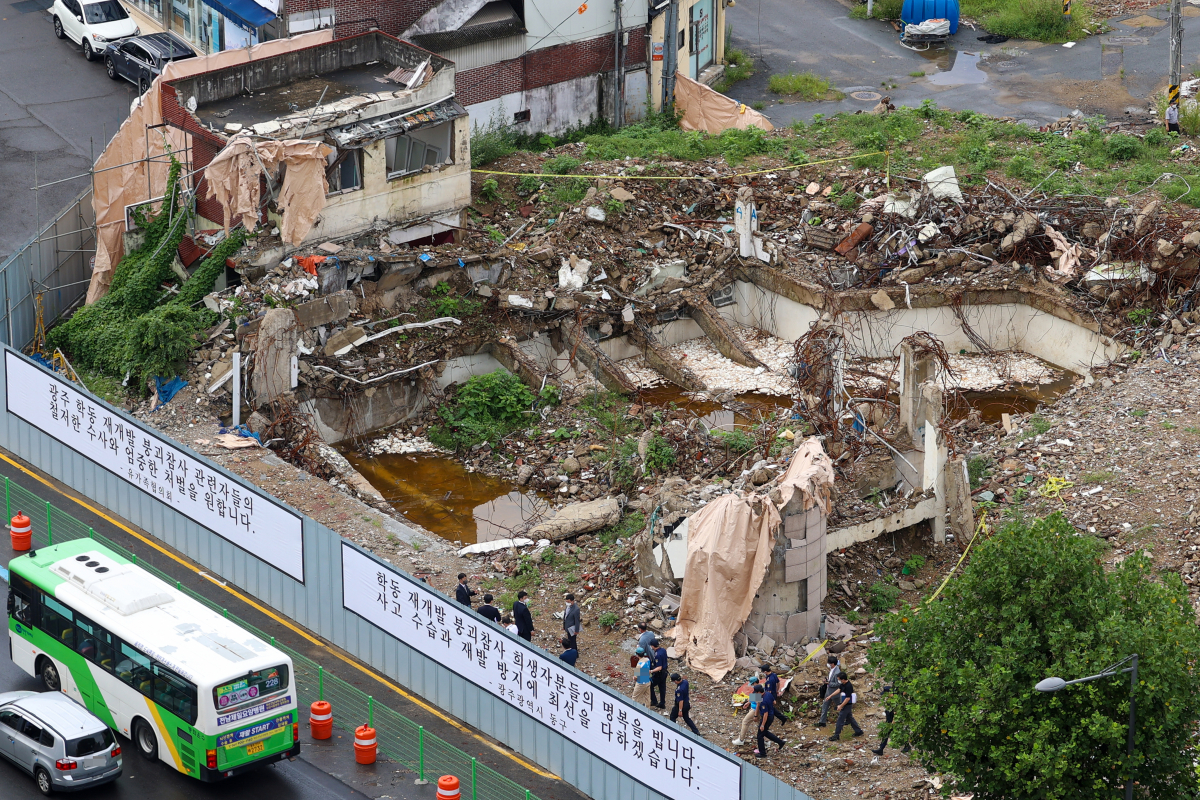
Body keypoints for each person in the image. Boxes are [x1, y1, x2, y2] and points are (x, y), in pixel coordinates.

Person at [873, 684, 911, 755]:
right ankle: (881, 749)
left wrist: (893, 721)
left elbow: (896, 712)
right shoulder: (889, 700)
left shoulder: (896, 701)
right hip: (889, 720)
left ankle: (907, 746)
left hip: (894, 721)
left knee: (899, 733)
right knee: (887, 733)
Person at [754, 683, 787, 756]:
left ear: (759, 692)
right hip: (771, 716)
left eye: (756, 692)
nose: (755, 694)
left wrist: (762, 724)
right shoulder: (768, 694)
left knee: (760, 736)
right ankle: (780, 742)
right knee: (765, 732)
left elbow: (765, 714)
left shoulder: (763, 701)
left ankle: (762, 753)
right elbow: (774, 702)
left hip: (767, 718)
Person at [830, 672, 863, 741]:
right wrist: (830, 696)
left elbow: (847, 698)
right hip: (845, 704)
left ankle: (836, 735)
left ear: (843, 679)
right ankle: (858, 731)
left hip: (846, 705)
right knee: (850, 718)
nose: (839, 681)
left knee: (840, 720)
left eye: (839, 679)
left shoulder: (848, 686)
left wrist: (841, 706)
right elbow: (839, 690)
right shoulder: (843, 684)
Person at [733, 678, 763, 746]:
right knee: (760, 725)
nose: (751, 686)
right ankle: (765, 740)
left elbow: (758, 704)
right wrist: (748, 703)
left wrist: (755, 715)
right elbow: (753, 698)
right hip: (754, 708)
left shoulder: (758, 691)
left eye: (752, 684)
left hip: (755, 710)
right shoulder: (758, 689)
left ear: (755, 683)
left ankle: (741, 739)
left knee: (745, 722)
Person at [817, 655, 841, 728]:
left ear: (833, 664)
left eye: (829, 663)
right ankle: (822, 722)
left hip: (834, 693)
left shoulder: (837, 672)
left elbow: (838, 683)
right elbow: (831, 679)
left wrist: (829, 683)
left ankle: (848, 719)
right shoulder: (832, 670)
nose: (828, 664)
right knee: (825, 706)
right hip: (828, 691)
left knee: (840, 706)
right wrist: (827, 680)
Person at [649, 641, 669, 709]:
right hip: (664, 672)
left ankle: (654, 701)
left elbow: (659, 667)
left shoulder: (657, 655)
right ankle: (662, 703)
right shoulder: (663, 650)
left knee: (650, 685)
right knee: (662, 688)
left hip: (659, 673)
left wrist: (651, 671)